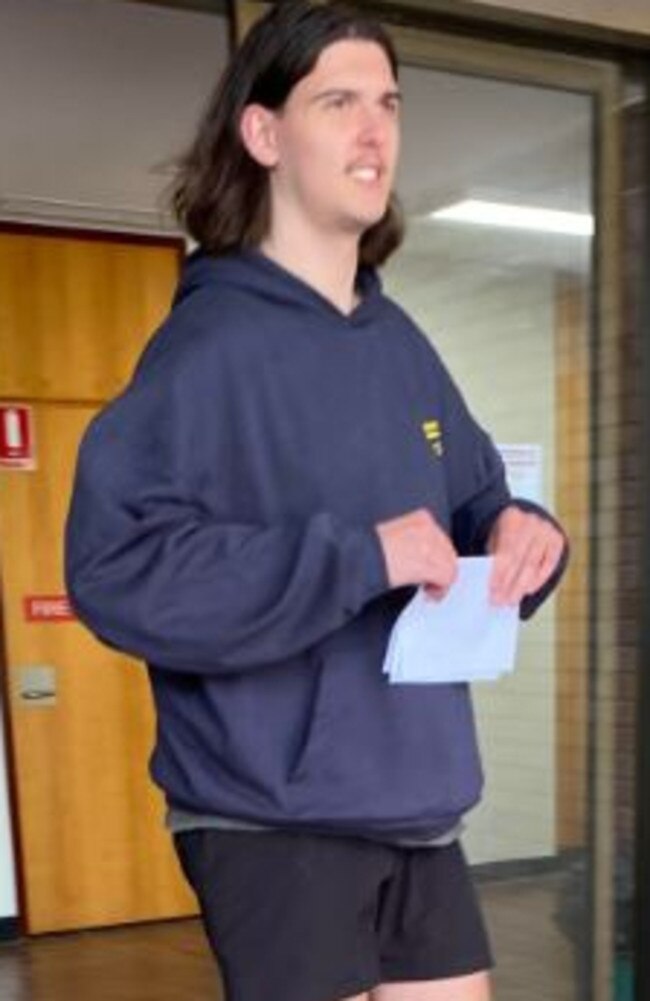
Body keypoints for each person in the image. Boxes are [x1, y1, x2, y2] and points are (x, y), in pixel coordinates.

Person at [65, 3, 568, 1001]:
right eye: (336, 101)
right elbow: (116, 572)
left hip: (418, 799)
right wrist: (353, 558)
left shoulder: (400, 347)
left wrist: (523, 533)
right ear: (263, 135)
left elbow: (478, 501)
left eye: (386, 102)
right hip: (272, 815)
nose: (373, 129)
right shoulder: (207, 353)